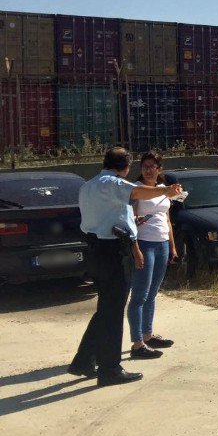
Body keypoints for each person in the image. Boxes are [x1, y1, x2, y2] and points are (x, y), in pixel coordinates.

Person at [68, 147, 183, 387]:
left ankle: (83, 361)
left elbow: (111, 214)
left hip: (96, 250)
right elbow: (139, 191)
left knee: (106, 309)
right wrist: (166, 190)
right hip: (113, 252)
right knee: (113, 313)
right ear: (127, 166)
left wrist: (133, 226)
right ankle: (109, 369)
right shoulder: (113, 183)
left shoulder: (88, 185)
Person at [126, 151, 178, 360]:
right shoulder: (137, 190)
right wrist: (135, 248)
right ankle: (137, 343)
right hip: (144, 243)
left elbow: (166, 219)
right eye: (144, 166)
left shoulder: (164, 190)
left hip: (162, 243)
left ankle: (148, 335)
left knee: (152, 293)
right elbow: (131, 220)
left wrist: (172, 246)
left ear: (159, 169)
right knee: (139, 295)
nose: (148, 170)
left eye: (152, 166)